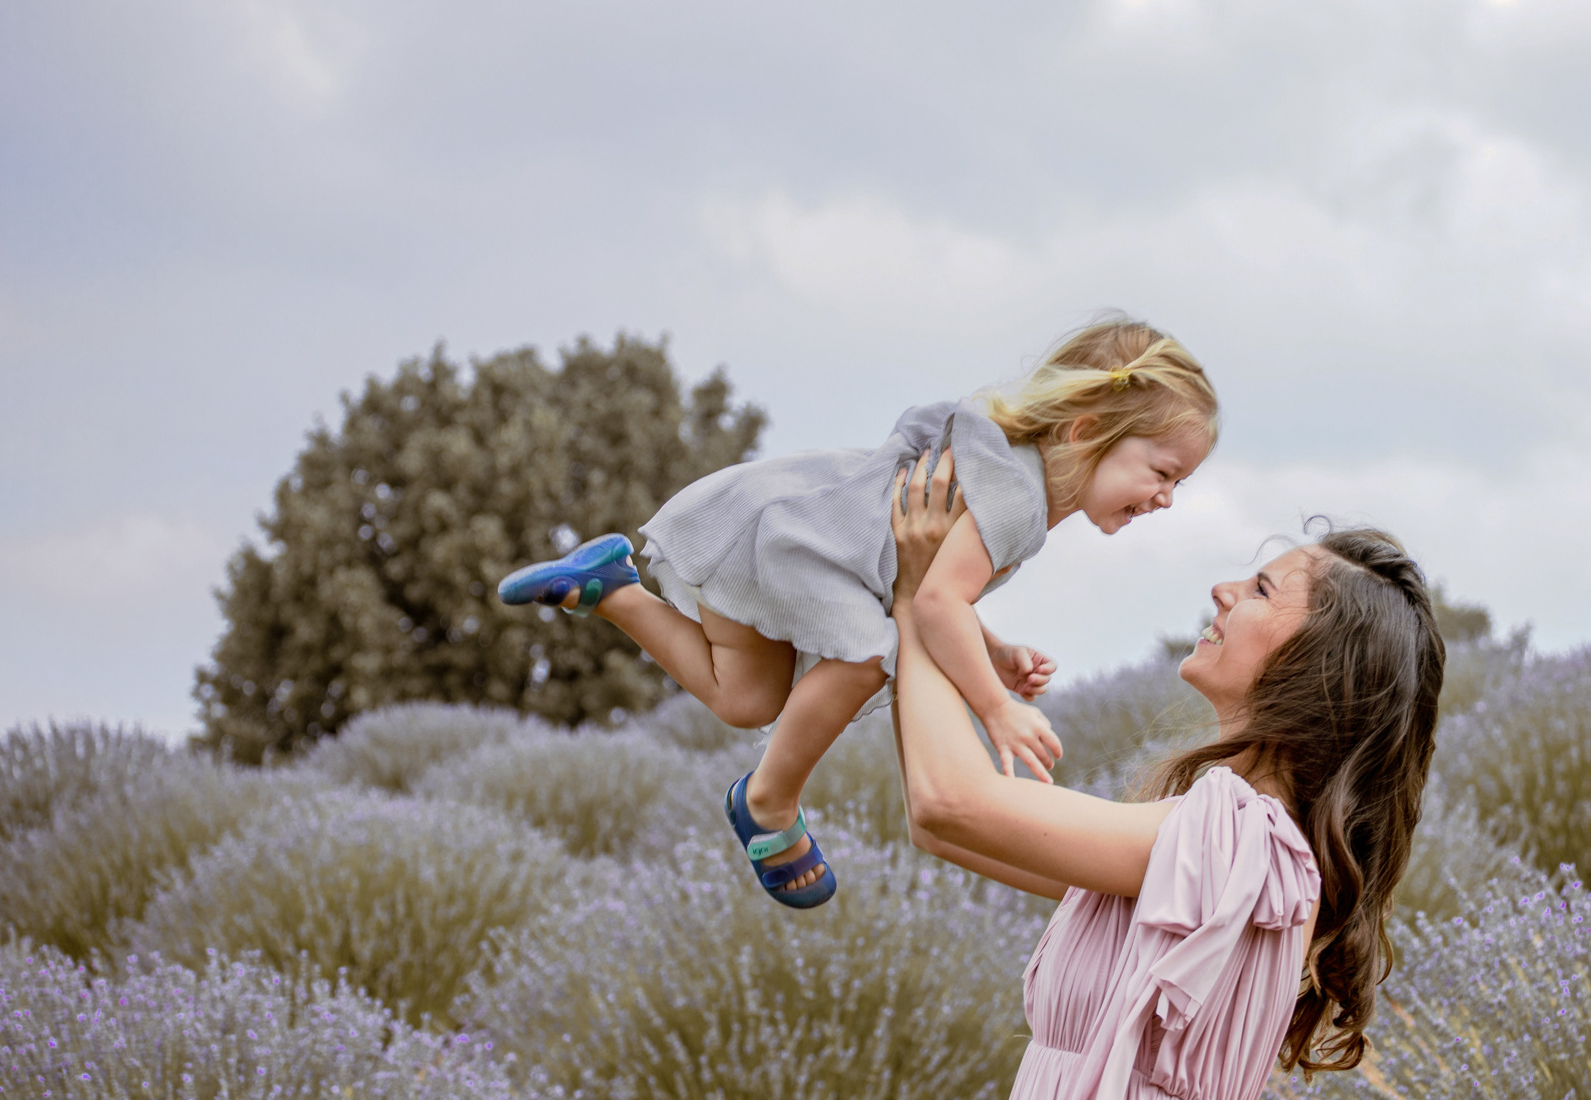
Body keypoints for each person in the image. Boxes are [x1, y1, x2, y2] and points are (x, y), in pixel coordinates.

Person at [886, 450, 1444, 1100]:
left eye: (1260, 588)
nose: (1222, 588)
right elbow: (941, 823)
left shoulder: (1237, 840)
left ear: (1315, 664)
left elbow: (952, 800)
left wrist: (922, 593)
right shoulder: (1226, 847)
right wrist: (940, 622)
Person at [496, 319, 1218, 907]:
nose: (1165, 497)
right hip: (796, 544)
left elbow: (940, 589)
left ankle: (612, 588)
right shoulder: (1021, 498)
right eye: (1162, 472)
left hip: (773, 534)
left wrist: (989, 649)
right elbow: (932, 601)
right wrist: (994, 705)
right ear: (1085, 429)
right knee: (871, 655)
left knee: (745, 700)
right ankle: (769, 802)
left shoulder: (1013, 480)